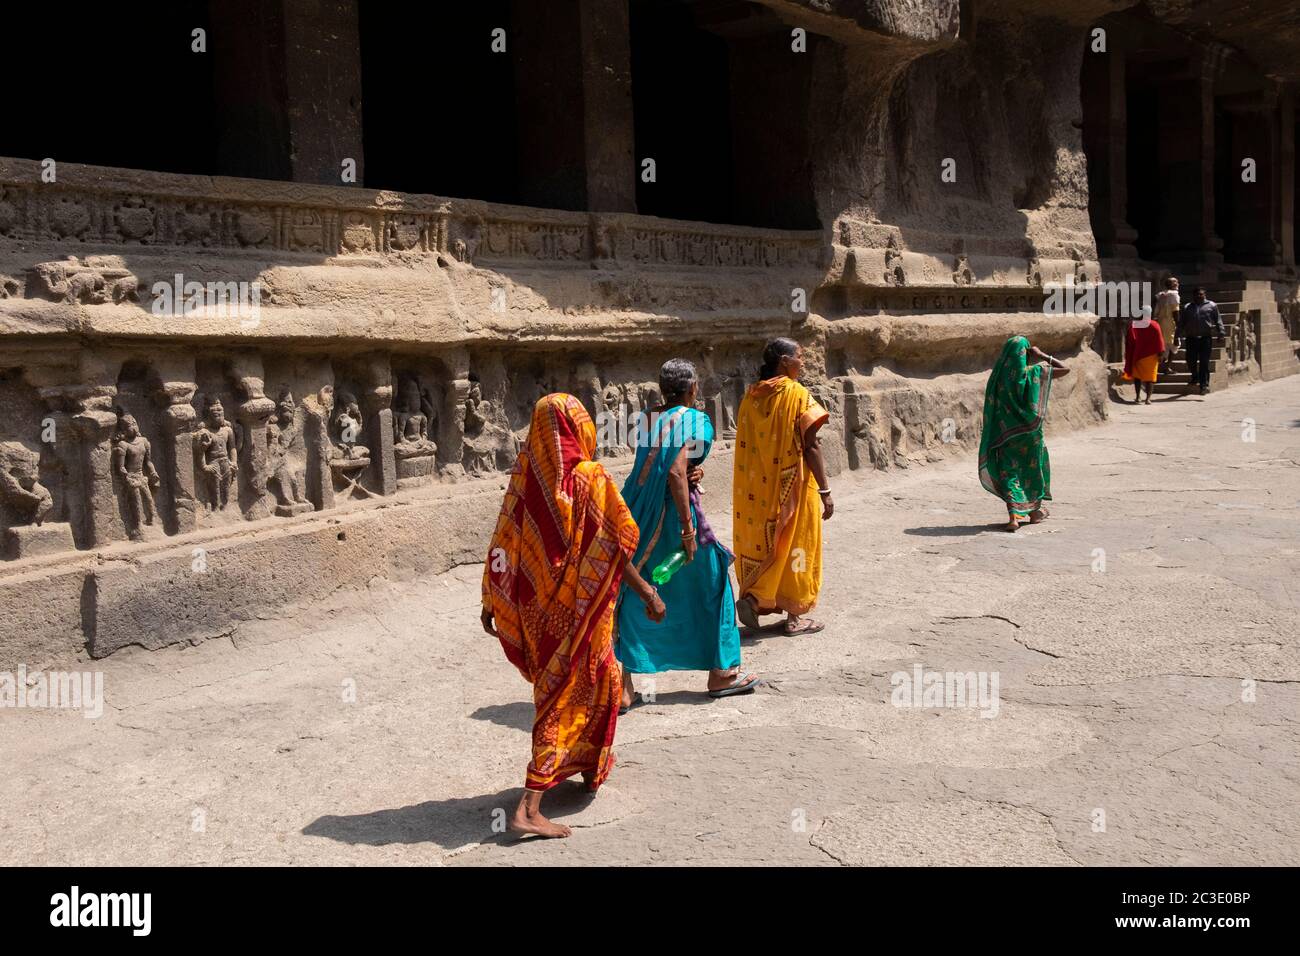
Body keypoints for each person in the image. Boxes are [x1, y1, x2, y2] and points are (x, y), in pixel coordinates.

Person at [481, 393, 666, 839]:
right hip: (581, 611)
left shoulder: (526, 479)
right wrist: (646, 593)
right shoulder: (591, 478)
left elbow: (504, 543)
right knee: (567, 693)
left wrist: (492, 600)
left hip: (538, 611)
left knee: (586, 682)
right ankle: (529, 805)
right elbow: (617, 546)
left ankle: (586, 765)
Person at [616, 359, 758, 706]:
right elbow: (676, 473)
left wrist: (693, 472)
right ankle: (723, 674)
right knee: (715, 582)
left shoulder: (648, 418)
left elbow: (664, 462)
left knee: (634, 588)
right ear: (693, 389)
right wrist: (687, 529)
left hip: (634, 510)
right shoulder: (697, 420)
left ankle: (622, 685)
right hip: (671, 513)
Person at [732, 338, 832, 636]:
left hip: (757, 491)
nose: (803, 362)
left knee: (768, 543)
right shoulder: (797, 395)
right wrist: (825, 490)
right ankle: (794, 617)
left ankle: (755, 596)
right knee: (797, 544)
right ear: (785, 361)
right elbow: (811, 445)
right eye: (800, 357)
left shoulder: (751, 397)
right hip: (794, 485)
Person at [978, 336, 1071, 532]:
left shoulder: (997, 379)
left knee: (1009, 473)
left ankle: (1015, 516)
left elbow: (991, 409)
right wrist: (1042, 355)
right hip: (1031, 435)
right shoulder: (1034, 373)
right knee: (1031, 470)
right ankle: (1034, 511)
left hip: (1005, 435)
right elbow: (1065, 369)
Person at [1177, 287, 1226, 396]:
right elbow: (1181, 323)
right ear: (1193, 296)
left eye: (1201, 294)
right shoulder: (1187, 307)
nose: (1200, 296)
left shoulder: (1212, 306)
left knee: (1204, 362)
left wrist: (1221, 333)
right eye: (1197, 294)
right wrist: (1177, 336)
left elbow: (1218, 320)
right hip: (1191, 338)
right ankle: (1195, 376)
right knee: (1190, 360)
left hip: (1205, 338)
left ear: (1205, 295)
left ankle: (1204, 385)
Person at [1122, 305, 1165, 405]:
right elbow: (1160, 341)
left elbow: (1130, 340)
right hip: (1151, 356)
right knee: (1150, 378)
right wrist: (1161, 354)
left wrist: (1130, 352)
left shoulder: (1134, 325)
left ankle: (1137, 397)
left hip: (1138, 355)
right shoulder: (1155, 325)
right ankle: (1148, 399)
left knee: (1138, 377)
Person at [1153, 277, 1180, 373]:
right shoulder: (1174, 295)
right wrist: (1179, 325)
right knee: (1174, 345)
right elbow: (1175, 312)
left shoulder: (1160, 295)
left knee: (1163, 344)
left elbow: (1154, 308)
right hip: (1170, 323)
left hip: (1160, 322)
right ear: (1172, 285)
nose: (1177, 284)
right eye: (1175, 282)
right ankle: (1166, 367)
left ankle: (1159, 367)